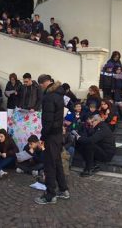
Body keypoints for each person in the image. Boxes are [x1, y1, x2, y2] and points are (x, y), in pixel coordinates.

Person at [35, 74, 70, 205]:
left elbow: (48, 121)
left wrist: (43, 137)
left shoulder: (49, 97)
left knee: (49, 165)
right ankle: (63, 189)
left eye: (40, 85)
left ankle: (50, 195)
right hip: (57, 135)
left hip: (51, 135)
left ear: (43, 84)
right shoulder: (59, 94)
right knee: (57, 163)